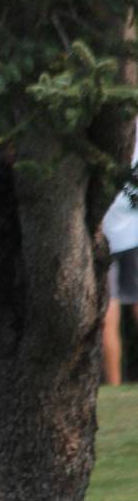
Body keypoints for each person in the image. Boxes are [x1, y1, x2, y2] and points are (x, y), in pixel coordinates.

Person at [102, 119, 138, 386]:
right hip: (125, 230)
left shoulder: (100, 126)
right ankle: (114, 385)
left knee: (107, 311)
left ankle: (114, 385)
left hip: (104, 229)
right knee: (108, 313)